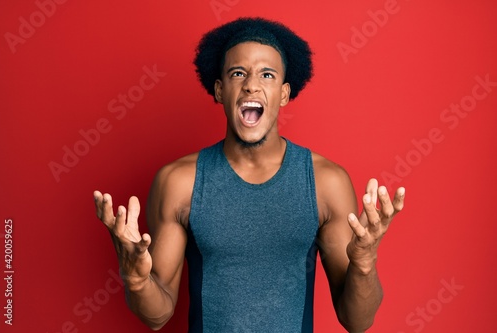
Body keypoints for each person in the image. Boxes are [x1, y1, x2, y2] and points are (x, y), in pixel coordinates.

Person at [93, 17, 405, 332]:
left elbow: (357, 321)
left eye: (266, 74)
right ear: (219, 89)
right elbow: (157, 315)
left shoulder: (326, 182)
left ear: (284, 93)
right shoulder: (179, 182)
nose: (251, 85)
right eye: (237, 73)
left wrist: (364, 265)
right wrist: (135, 280)